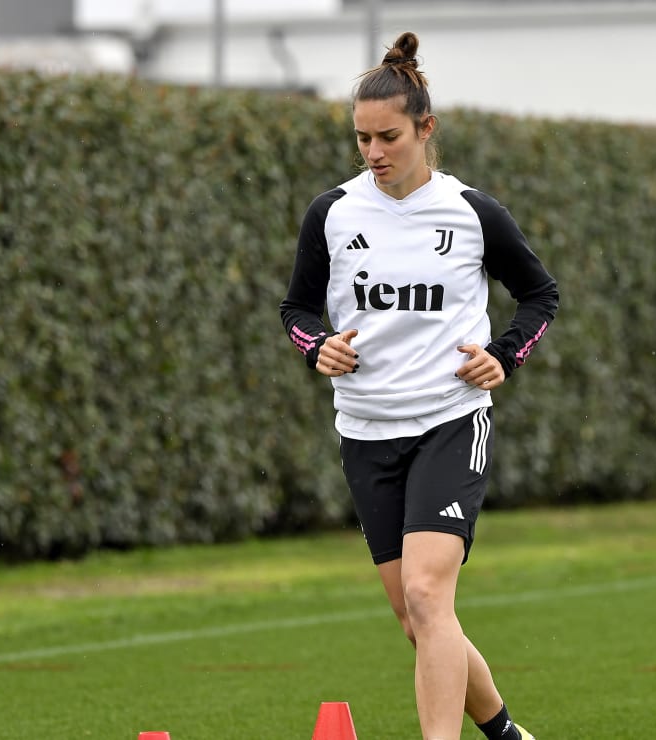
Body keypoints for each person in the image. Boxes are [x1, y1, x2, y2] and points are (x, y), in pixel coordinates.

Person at [279, 31, 556, 740]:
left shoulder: (472, 212)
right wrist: (320, 348)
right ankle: (505, 732)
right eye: (362, 139)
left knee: (430, 595)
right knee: (413, 616)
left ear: (425, 130)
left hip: (449, 419)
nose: (374, 153)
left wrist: (504, 356)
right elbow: (297, 311)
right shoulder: (332, 214)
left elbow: (539, 296)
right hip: (367, 430)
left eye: (389, 137)